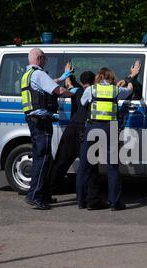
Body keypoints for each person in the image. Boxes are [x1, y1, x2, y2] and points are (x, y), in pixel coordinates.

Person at [76, 61, 141, 211]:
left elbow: (83, 102)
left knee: (84, 166)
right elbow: (130, 89)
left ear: (98, 77)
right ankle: (115, 203)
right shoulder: (116, 90)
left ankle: (81, 201)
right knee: (112, 167)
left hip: (92, 127)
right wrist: (132, 76)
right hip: (109, 128)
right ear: (111, 77)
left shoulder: (91, 89)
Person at [21, 48, 74, 210]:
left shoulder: (28, 75)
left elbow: (47, 83)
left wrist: (62, 77)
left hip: (34, 120)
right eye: (45, 58)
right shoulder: (39, 74)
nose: (46, 61)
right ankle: (35, 196)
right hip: (41, 122)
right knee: (42, 159)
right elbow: (57, 91)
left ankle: (42, 194)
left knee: (44, 158)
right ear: (39, 58)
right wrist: (74, 93)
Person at [47, 70, 103, 209]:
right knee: (91, 166)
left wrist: (68, 76)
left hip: (72, 129)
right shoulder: (97, 91)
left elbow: (72, 86)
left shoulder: (75, 91)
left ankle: (46, 193)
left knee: (60, 163)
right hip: (87, 129)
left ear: (82, 81)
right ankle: (92, 200)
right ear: (95, 81)